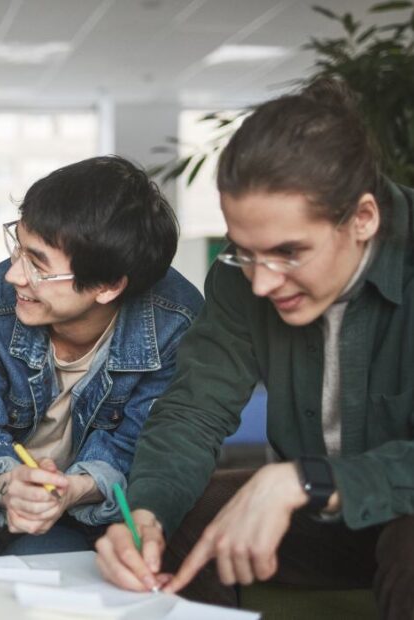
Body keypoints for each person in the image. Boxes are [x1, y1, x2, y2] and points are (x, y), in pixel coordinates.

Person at [95, 79, 414, 619]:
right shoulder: (239, 280)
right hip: (318, 526)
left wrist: (308, 480)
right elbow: (193, 411)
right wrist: (145, 514)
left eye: (288, 253)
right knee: (173, 518)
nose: (262, 284)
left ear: (363, 218)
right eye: (245, 252)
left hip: (398, 518)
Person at [0, 155, 203, 560]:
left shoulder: (174, 321)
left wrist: (73, 490)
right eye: (18, 248)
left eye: (39, 265)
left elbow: (142, 445)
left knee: (134, 540)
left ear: (108, 286)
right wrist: (10, 485)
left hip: (97, 476)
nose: (14, 276)